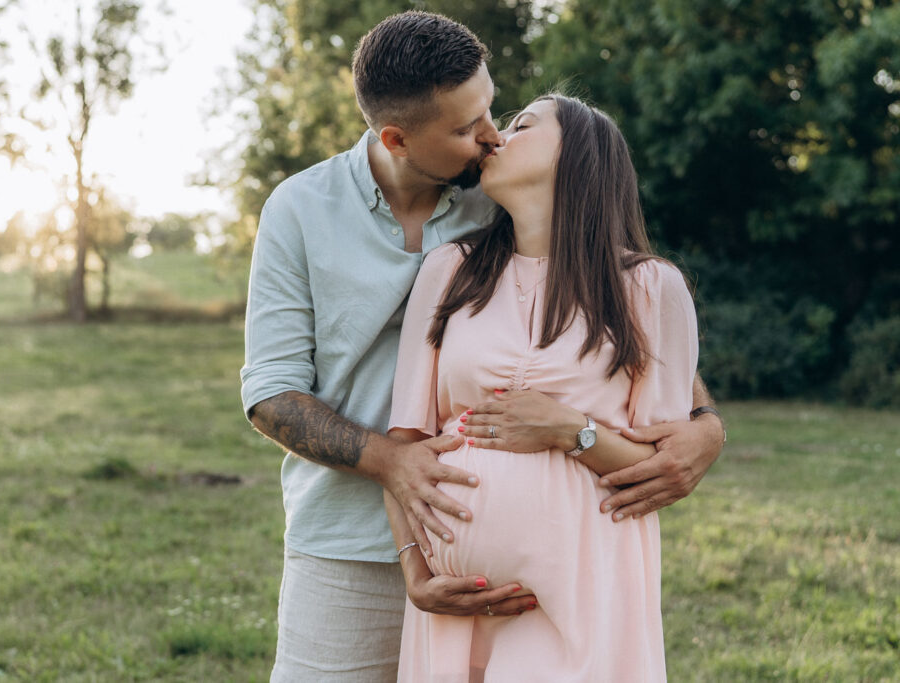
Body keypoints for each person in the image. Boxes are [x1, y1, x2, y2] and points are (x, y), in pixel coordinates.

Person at [240, 11, 725, 681]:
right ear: (397, 138)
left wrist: (706, 425)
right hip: (347, 538)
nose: (492, 136)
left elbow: (616, 317)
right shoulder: (299, 209)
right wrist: (392, 463)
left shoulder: (495, 198)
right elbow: (270, 394)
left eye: (494, 112)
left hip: (545, 570)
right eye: (468, 129)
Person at [385, 93, 697, 681]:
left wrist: (569, 431)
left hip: (583, 584)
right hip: (456, 601)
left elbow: (659, 467)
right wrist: (415, 572)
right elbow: (405, 442)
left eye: (522, 124)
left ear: (577, 158)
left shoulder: (651, 288)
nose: (496, 137)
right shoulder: (451, 269)